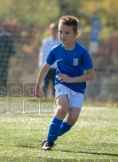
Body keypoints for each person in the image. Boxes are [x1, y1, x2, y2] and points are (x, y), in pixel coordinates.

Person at [35, 15, 94, 150]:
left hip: (78, 88)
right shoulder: (55, 50)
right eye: (61, 32)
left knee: (72, 119)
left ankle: (52, 136)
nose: (62, 35)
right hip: (61, 84)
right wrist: (38, 85)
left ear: (75, 34)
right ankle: (49, 142)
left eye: (67, 32)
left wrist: (72, 79)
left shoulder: (82, 52)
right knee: (62, 109)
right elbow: (45, 68)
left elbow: (91, 75)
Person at [38, 23, 61, 97]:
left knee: (56, 84)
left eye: (55, 30)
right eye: (52, 30)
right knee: (45, 83)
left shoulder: (60, 42)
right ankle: (43, 98)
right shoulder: (46, 41)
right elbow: (42, 53)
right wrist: (41, 64)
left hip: (57, 67)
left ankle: (55, 98)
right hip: (47, 66)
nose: (53, 32)